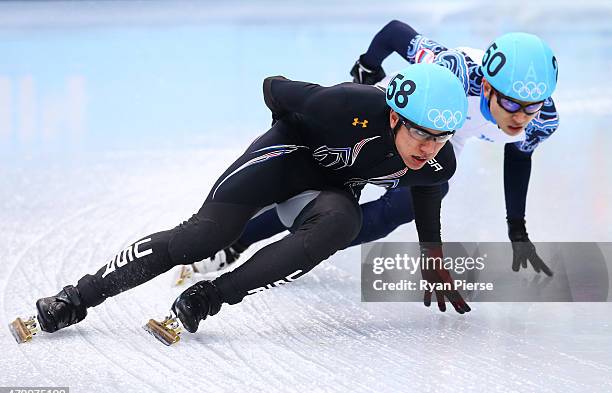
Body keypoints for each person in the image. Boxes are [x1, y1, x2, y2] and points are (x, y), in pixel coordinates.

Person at [30, 62, 471, 340]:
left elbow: (427, 193)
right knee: (202, 238)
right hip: (282, 157)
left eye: (441, 137)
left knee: (343, 223)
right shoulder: (343, 105)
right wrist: (280, 137)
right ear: (395, 114)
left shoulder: (436, 163)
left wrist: (433, 258)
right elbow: (274, 87)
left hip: (323, 192)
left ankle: (209, 297)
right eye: (419, 132)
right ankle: (76, 298)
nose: (429, 147)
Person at [190, 21, 559, 280]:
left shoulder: (542, 119)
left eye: (532, 106)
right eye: (511, 105)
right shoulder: (453, 71)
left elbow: (519, 158)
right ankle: (240, 239)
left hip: (449, 138)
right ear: (490, 87)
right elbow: (396, 32)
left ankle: (316, 238)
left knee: (405, 206)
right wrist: (370, 64)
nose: (521, 118)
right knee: (341, 174)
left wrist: (517, 230)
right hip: (410, 114)